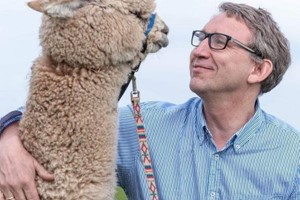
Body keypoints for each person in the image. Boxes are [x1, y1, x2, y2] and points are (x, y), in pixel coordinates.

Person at [0, 2, 299, 199]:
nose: (199, 51)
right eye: (202, 38)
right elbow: (60, 122)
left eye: (219, 42)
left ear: (259, 69)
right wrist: (8, 137)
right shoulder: (143, 124)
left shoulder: (292, 155)